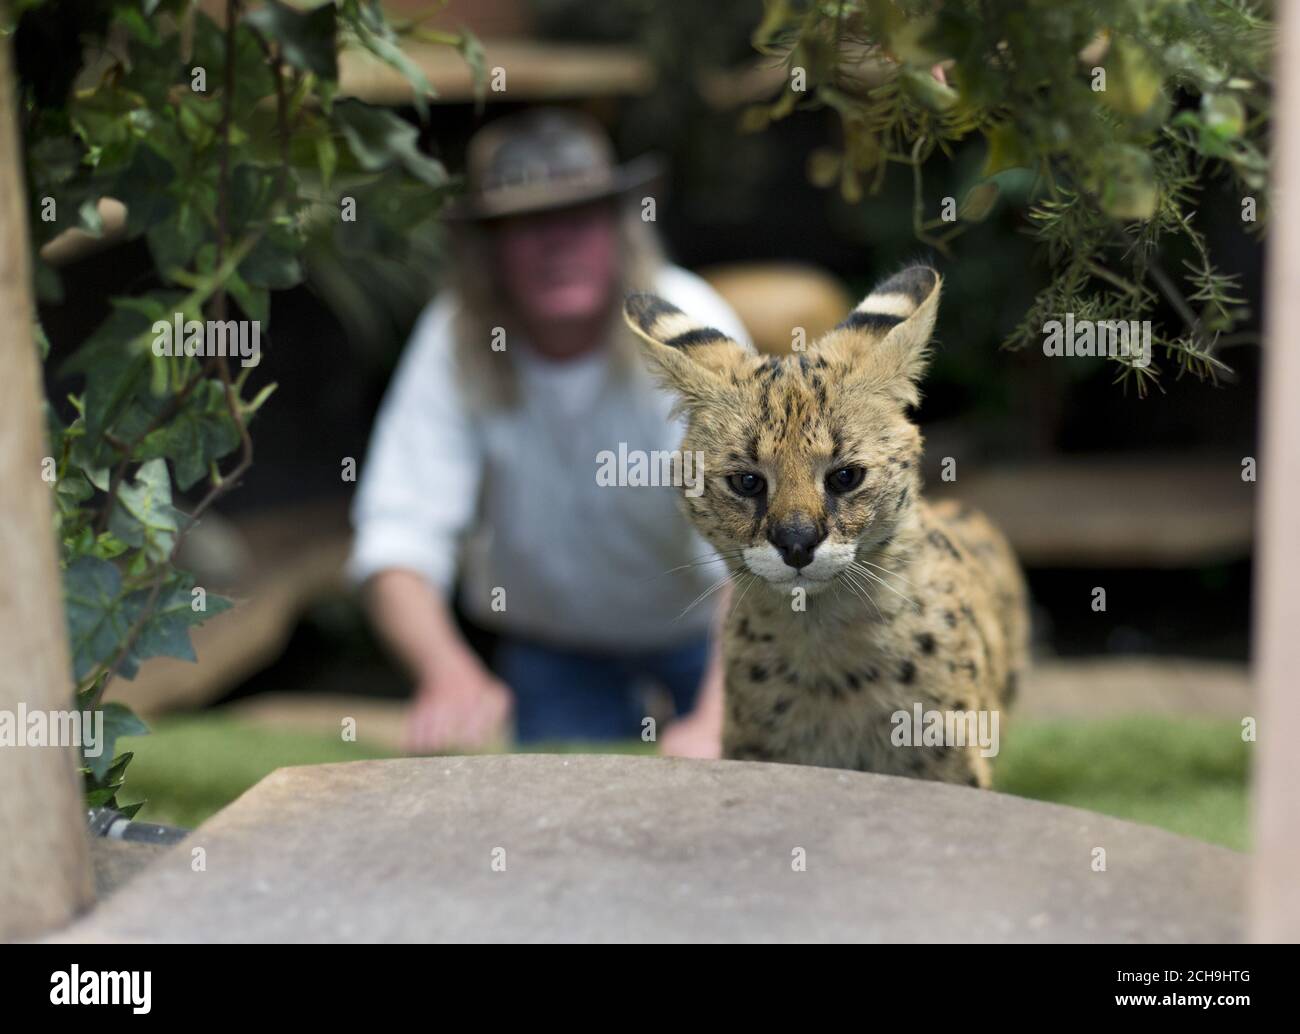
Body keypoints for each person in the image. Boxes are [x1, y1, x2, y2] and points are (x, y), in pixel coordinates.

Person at [348, 109, 750, 757]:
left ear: (619, 231)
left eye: (578, 217)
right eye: (527, 224)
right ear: (490, 250)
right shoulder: (456, 338)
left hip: (711, 634)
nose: (555, 243)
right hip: (555, 646)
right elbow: (397, 534)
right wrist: (446, 672)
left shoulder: (688, 329)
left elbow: (757, 547)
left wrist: (716, 716)